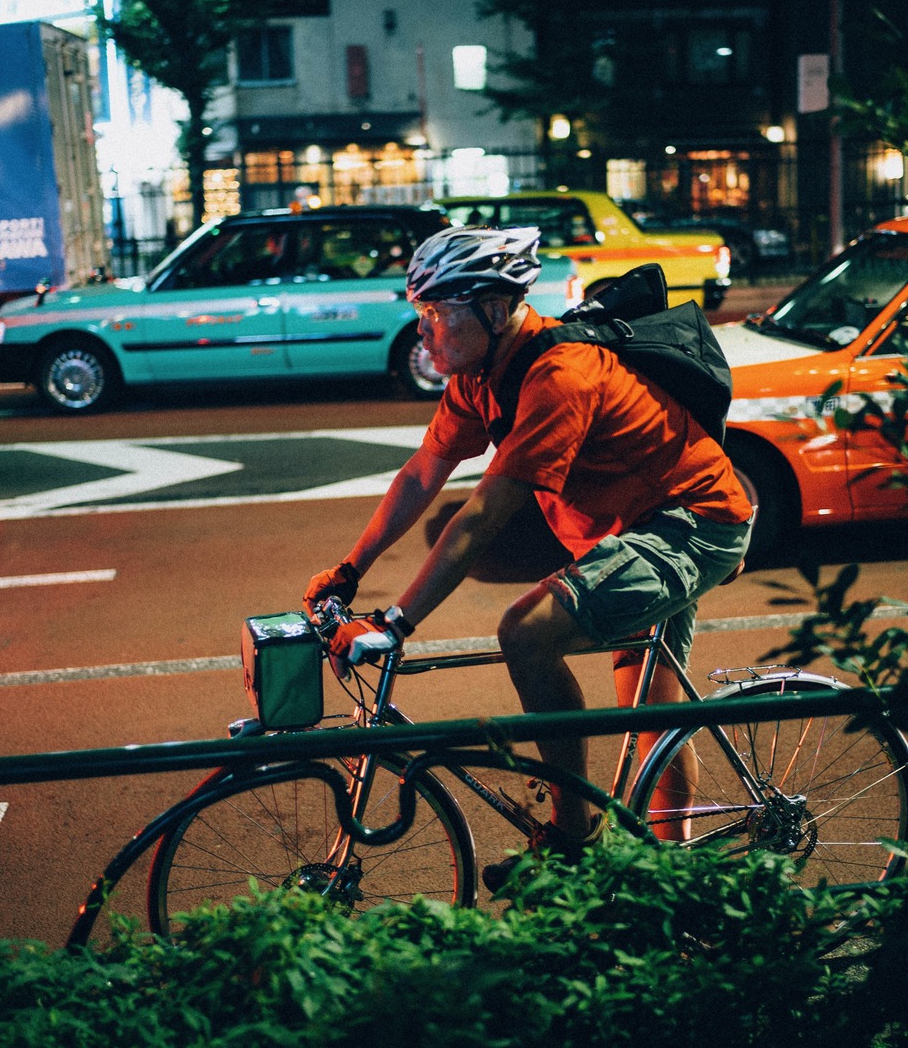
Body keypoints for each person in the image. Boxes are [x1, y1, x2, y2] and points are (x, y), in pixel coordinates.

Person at [303, 225, 754, 889]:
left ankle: (575, 838)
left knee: (528, 631)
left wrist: (395, 622)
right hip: (630, 532)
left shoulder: (559, 377)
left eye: (433, 312)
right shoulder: (481, 375)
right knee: (651, 706)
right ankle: (671, 873)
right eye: (418, 312)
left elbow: (481, 516)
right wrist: (349, 569)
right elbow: (422, 475)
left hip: (693, 521)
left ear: (491, 308)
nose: (422, 330)